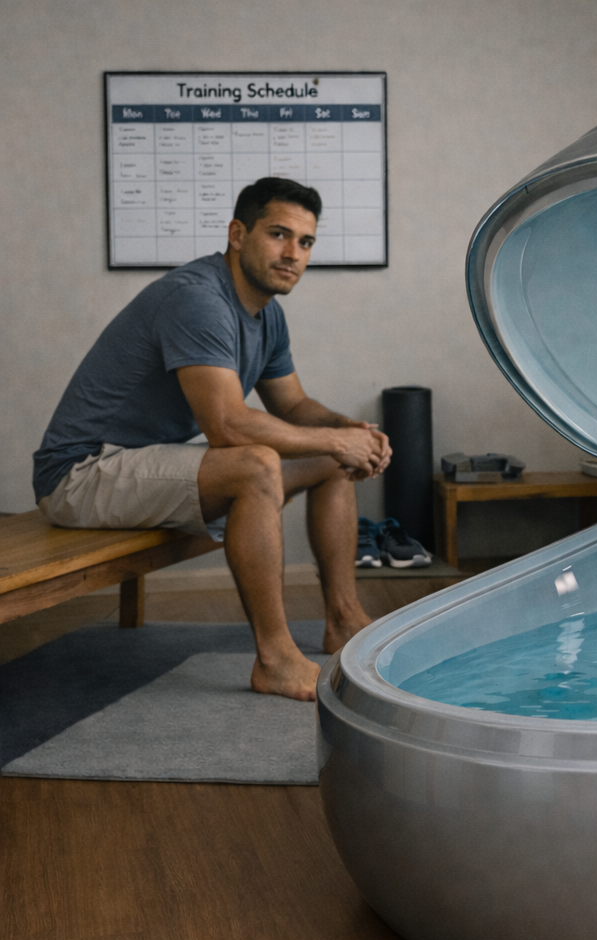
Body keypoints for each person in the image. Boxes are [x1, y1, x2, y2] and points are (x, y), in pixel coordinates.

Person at [33, 177, 391, 702]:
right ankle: (276, 659)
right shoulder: (197, 299)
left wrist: (352, 433)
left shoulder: (267, 315)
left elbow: (293, 405)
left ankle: (343, 619)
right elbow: (227, 426)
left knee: (329, 459)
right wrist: (337, 441)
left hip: (142, 463)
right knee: (256, 464)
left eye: (305, 242)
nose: (293, 253)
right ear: (237, 234)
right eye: (278, 234)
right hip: (80, 474)